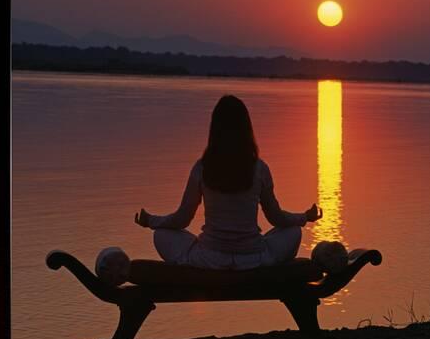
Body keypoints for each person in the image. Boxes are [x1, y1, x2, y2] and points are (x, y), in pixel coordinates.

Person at [134, 95, 322, 270]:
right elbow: (276, 218)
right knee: (293, 232)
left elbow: (183, 218)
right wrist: (304, 218)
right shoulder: (259, 168)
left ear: (214, 130)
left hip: (210, 258)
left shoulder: (203, 167)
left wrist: (152, 221)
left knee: (161, 234)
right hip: (252, 258)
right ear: (246, 129)